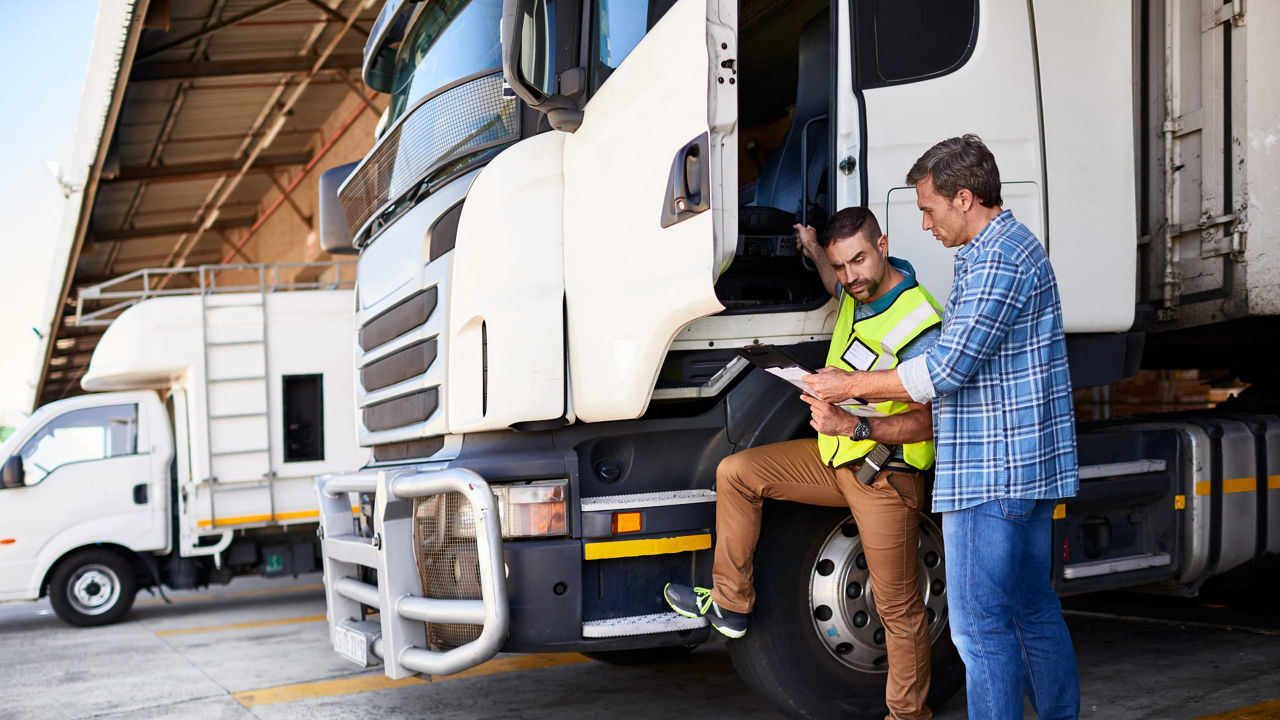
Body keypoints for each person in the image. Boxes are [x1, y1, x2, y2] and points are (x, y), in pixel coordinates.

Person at [802, 134, 1080, 720]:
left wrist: (847, 386)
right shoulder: (999, 252)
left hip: (993, 471)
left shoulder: (999, 258)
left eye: (928, 208)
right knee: (1031, 607)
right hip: (1024, 466)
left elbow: (948, 368)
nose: (925, 224)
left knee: (979, 628)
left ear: (962, 198)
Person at [664, 207, 943, 720]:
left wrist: (854, 425)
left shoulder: (918, 319)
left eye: (857, 260)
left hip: (885, 475)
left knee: (899, 612)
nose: (848, 277)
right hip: (839, 459)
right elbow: (838, 285)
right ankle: (731, 603)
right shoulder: (857, 293)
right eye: (840, 266)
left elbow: (929, 421)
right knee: (739, 473)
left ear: (883, 245)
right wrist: (816, 251)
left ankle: (908, 716)